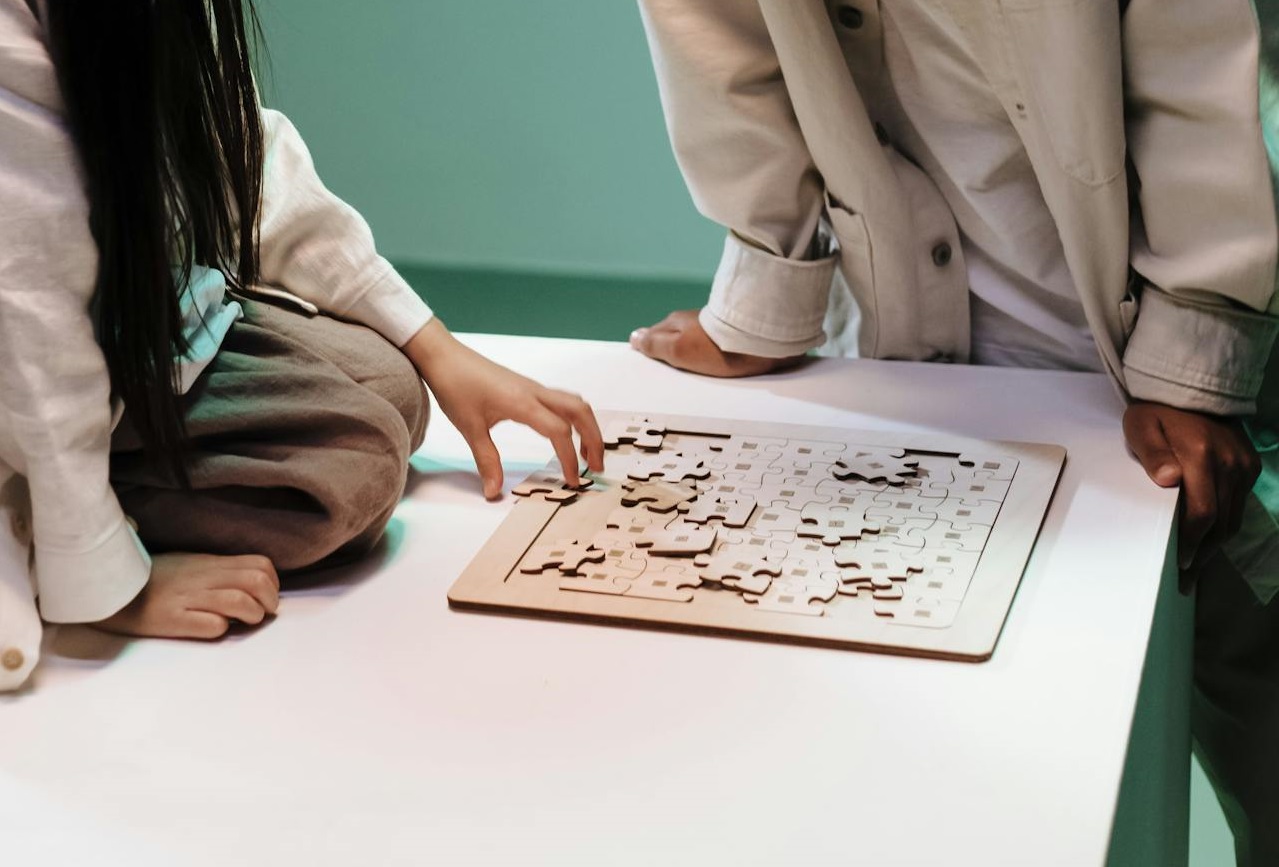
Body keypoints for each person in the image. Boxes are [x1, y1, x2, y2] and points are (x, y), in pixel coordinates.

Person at [630, 1, 1279, 862]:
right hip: (918, 362)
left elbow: (1190, 58)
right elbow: (717, 40)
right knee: (973, 773)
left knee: (1256, 704)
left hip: (1143, 358)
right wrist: (766, 291)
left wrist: (1197, 340)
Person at [0, 0, 603, 692]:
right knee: (353, 466)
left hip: (103, 331)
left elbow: (232, 150)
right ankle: (46, 533)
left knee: (395, 389)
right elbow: (26, 311)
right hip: (25, 365)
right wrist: (103, 579)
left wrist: (434, 345)